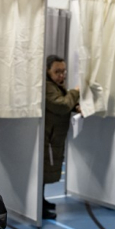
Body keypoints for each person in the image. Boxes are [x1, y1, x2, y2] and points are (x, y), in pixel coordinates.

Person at [43, 54, 80, 220]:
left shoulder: (54, 85)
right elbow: (61, 104)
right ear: (47, 71)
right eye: (57, 71)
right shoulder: (47, 86)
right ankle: (39, 207)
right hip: (47, 139)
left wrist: (75, 107)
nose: (61, 75)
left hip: (53, 138)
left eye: (63, 71)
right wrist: (75, 92)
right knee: (42, 172)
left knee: (45, 173)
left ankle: (41, 202)